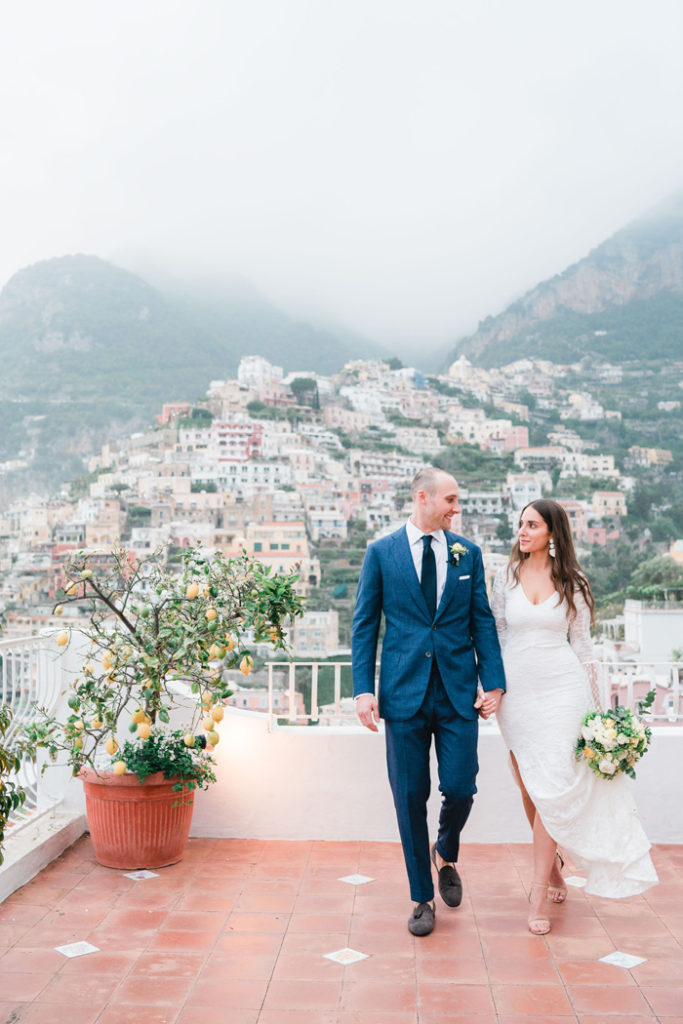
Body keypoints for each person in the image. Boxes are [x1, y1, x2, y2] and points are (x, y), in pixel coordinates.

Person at [492, 498, 658, 935]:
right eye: (521, 524)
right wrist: (488, 686)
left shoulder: (573, 581)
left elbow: (583, 648)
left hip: (563, 691)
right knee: (530, 785)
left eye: (531, 525)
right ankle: (552, 870)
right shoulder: (505, 576)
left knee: (552, 784)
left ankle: (537, 893)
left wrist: (599, 711)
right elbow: (496, 636)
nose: (522, 532)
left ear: (552, 533)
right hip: (517, 694)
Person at [352, 466, 506, 936]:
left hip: (459, 692)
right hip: (403, 694)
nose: (456, 509)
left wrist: (494, 682)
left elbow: (482, 621)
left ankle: (446, 848)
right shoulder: (381, 553)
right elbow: (364, 625)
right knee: (408, 796)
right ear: (423, 497)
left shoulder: (469, 554)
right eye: (451, 500)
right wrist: (363, 689)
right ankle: (422, 896)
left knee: (461, 786)